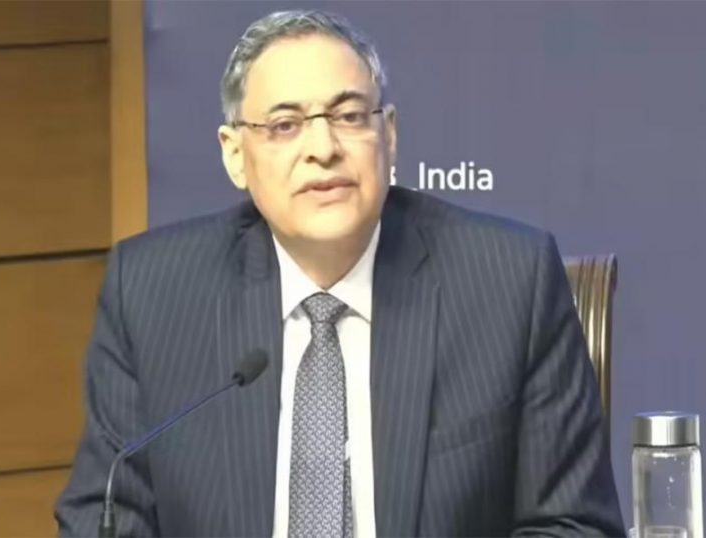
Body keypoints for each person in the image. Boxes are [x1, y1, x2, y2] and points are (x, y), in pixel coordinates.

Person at [55, 10, 624, 537]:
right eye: (285, 125)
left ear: (389, 135)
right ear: (235, 154)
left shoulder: (508, 283)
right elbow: (106, 517)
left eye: (349, 116)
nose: (323, 148)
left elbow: (573, 525)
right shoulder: (152, 296)